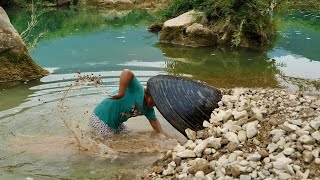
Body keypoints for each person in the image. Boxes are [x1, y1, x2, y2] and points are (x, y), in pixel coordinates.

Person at [89, 69, 164, 138]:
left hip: (117, 124)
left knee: (130, 135)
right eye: (155, 100)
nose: (155, 104)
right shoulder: (137, 89)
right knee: (111, 147)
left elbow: (154, 122)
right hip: (101, 119)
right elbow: (126, 72)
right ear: (149, 94)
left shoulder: (148, 108)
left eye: (158, 103)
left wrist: (163, 136)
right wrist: (121, 93)